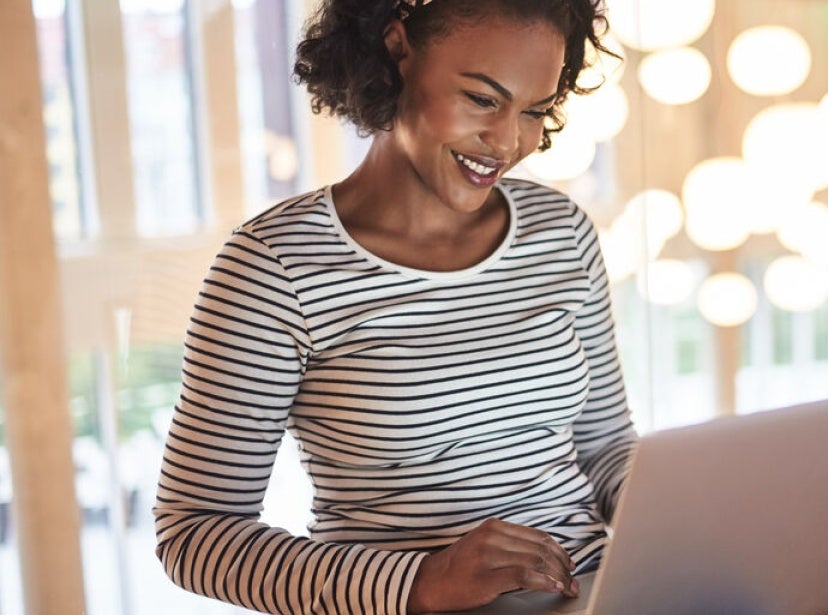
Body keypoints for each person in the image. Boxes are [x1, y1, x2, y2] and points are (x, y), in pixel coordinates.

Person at [152, 1, 638, 613]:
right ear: (398, 49)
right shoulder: (275, 266)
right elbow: (195, 533)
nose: (509, 141)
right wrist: (421, 581)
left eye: (535, 110)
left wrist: (690, 511)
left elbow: (605, 447)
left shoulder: (560, 230)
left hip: (600, 593)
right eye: (483, 99)